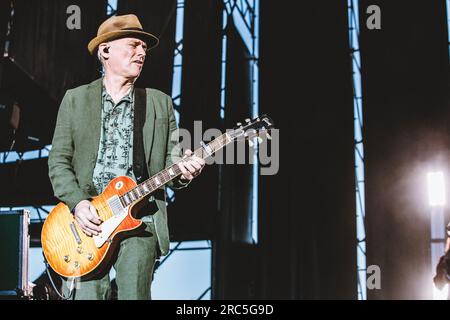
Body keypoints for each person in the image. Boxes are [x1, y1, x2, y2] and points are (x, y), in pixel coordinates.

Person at [48, 14, 205, 300]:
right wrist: (78, 203)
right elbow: (58, 161)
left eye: (144, 48)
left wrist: (185, 171)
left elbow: (173, 162)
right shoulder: (75, 99)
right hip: (87, 221)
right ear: (105, 50)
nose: (142, 52)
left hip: (140, 220)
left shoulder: (159, 103)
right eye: (134, 45)